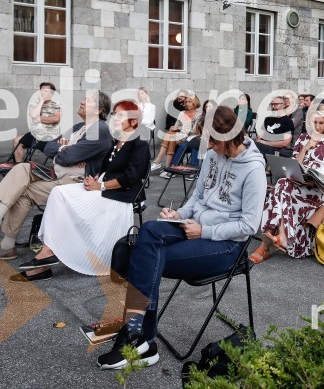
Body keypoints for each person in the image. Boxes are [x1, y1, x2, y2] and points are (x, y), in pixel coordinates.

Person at [96, 106, 266, 370]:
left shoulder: (253, 169)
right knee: (151, 229)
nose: (207, 145)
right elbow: (197, 198)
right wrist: (178, 214)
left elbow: (249, 225)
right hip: (193, 225)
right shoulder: (211, 156)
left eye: (211, 139)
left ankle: (139, 337)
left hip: (226, 246)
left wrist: (204, 231)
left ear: (227, 135)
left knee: (148, 256)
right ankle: (138, 336)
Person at [0, 91, 113, 261]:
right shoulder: (78, 128)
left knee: (23, 185)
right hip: (60, 177)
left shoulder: (100, 130)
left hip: (76, 185)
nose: (82, 101)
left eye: (88, 101)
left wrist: (66, 152)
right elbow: (49, 146)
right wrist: (63, 149)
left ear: (99, 109)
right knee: (22, 172)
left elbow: (68, 157)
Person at [12, 100, 150, 281]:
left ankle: (45, 257)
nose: (115, 118)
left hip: (121, 195)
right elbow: (105, 166)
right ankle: (48, 251)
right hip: (102, 185)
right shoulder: (117, 140)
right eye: (114, 114)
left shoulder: (139, 142)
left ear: (133, 121)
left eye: (121, 115)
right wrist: (93, 176)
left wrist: (100, 186)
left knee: (64, 197)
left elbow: (131, 177)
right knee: (58, 193)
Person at [251, 107, 324, 262]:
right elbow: (294, 164)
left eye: (321, 122)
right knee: (283, 184)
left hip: (317, 190)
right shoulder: (303, 138)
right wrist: (306, 148)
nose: (317, 126)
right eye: (314, 122)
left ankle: (264, 246)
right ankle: (280, 237)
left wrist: (314, 180)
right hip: (298, 183)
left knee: (281, 187)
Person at [11, 82, 62, 164]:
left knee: (56, 148)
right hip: (35, 134)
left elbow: (56, 118)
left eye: (46, 91)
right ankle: (19, 166)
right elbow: (33, 116)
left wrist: (39, 119)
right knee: (17, 140)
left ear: (51, 94)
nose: (42, 92)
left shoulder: (56, 105)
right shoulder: (35, 104)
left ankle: (60, 166)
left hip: (49, 136)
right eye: (41, 90)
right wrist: (41, 102)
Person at [163, 99, 216, 176]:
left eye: (210, 106)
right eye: (206, 107)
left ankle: (194, 168)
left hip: (210, 141)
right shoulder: (201, 118)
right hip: (198, 138)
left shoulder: (217, 118)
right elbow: (195, 130)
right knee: (185, 144)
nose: (208, 108)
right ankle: (175, 166)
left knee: (196, 144)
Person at [151, 93, 200, 171]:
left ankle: (158, 162)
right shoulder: (181, 113)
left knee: (169, 136)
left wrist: (179, 128)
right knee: (170, 135)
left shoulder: (199, 116)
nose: (187, 103)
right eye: (186, 102)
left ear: (195, 102)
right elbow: (176, 125)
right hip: (178, 136)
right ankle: (168, 167)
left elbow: (194, 131)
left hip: (189, 138)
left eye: (189, 102)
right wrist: (173, 128)